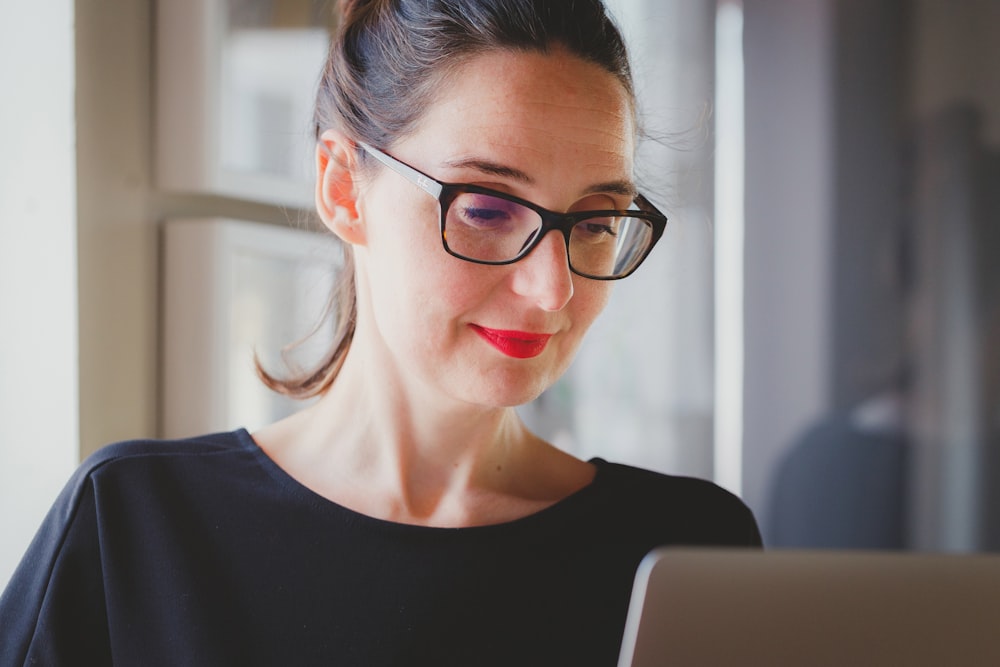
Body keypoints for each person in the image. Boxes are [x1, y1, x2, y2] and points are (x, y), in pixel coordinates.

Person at [0, 1, 760, 664]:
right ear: (342, 186)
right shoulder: (133, 529)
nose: (553, 288)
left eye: (594, 223)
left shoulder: (684, 552)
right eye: (488, 208)